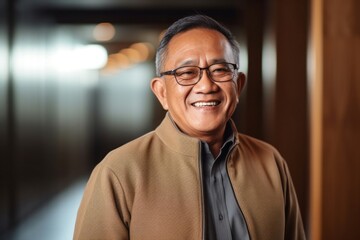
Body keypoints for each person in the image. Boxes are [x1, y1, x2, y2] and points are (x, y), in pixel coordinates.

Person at [73, 15, 306, 240]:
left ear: (239, 84)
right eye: (186, 73)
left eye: (220, 70)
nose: (206, 85)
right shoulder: (118, 172)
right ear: (161, 92)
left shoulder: (271, 162)